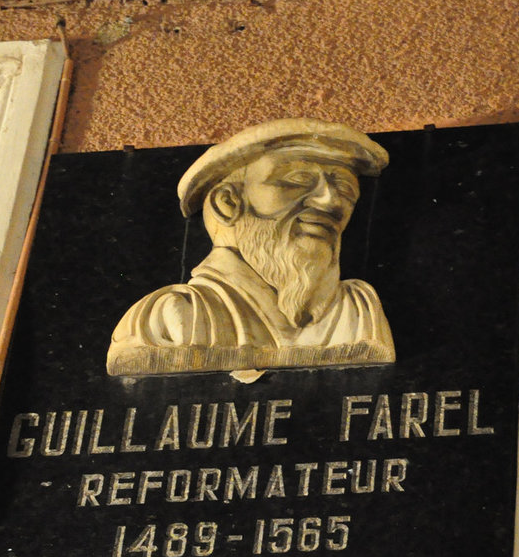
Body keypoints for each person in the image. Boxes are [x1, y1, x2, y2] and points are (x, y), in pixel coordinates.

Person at [107, 118, 395, 376]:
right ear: (228, 203)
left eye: (344, 189)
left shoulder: (357, 311)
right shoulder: (170, 318)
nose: (331, 202)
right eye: (297, 180)